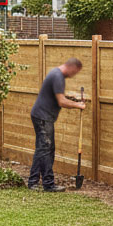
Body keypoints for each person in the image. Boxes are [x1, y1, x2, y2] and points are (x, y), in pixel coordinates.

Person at [28, 56, 85, 192]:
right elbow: (61, 101)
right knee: (46, 150)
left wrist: (72, 98)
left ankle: (33, 182)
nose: (74, 75)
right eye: (75, 72)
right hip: (43, 117)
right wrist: (78, 105)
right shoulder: (57, 76)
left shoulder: (55, 73)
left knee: (43, 149)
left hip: (40, 115)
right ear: (71, 67)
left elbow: (56, 96)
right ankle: (48, 184)